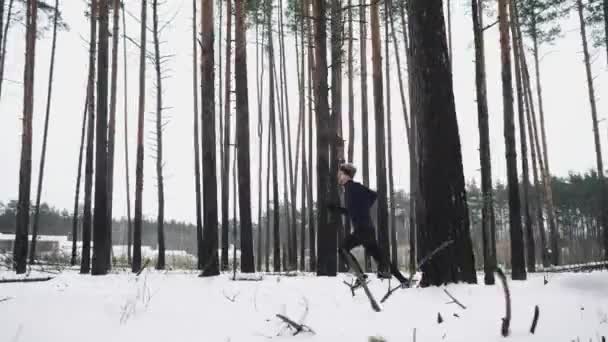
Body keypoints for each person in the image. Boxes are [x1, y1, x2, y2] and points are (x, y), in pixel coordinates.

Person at [328, 163, 409, 288]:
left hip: (362, 229)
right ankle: (403, 280)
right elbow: (362, 204)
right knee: (381, 257)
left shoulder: (353, 187)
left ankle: (361, 277)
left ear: (345, 175)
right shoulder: (350, 189)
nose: (338, 176)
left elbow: (368, 199)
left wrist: (361, 208)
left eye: (340, 174)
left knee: (343, 249)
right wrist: (339, 209)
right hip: (367, 229)